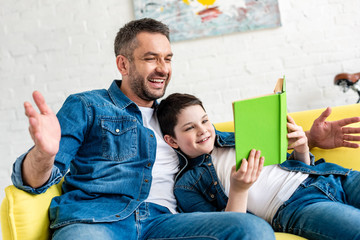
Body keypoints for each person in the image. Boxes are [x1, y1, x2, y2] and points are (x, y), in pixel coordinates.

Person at [11, 18, 276, 239]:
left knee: (252, 229)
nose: (163, 69)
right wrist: (44, 153)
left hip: (164, 223)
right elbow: (34, 182)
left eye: (168, 59)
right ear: (123, 64)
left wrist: (307, 139)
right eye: (151, 58)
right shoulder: (87, 105)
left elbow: (224, 141)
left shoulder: (173, 117)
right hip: (97, 221)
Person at [157, 93, 360, 240]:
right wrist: (239, 190)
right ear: (172, 141)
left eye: (204, 120)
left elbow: (298, 166)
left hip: (331, 177)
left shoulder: (237, 135)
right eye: (190, 127)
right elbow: (228, 229)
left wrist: (302, 147)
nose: (203, 130)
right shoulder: (187, 185)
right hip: (296, 206)